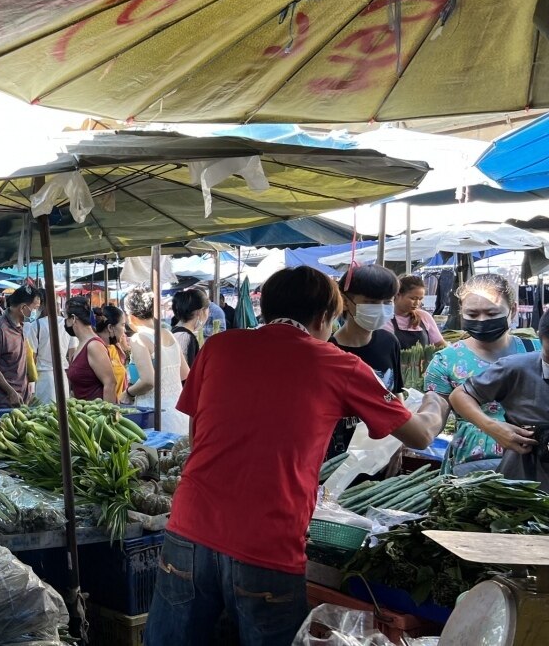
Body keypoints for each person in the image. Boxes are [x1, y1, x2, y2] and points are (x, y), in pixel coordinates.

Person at [145, 267, 447, 646]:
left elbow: (197, 436)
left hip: (189, 528)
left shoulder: (220, 347)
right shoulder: (341, 365)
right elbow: (420, 435)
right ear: (323, 317)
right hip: (267, 540)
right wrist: (438, 400)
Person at [426, 274, 538, 475]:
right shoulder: (446, 360)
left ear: (512, 310)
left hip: (534, 462)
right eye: (473, 314)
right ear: (461, 312)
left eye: (491, 313)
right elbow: (435, 414)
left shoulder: (537, 351)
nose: (482, 320)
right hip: (470, 467)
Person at [449, 313, 549, 490]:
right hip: (525, 480)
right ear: (541, 337)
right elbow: (460, 395)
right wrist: (492, 427)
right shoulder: (516, 368)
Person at [329, 265, 404, 458]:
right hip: (338, 456)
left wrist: (396, 444)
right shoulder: (329, 351)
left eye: (387, 302)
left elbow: (396, 395)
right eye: (370, 302)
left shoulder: (390, 342)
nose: (380, 309)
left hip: (380, 452)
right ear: (345, 302)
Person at [122, 285, 189, 429]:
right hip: (179, 412)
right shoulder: (168, 334)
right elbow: (185, 374)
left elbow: (148, 381)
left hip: (155, 415)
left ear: (130, 316)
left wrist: (128, 393)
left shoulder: (138, 338)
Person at [0, 285, 36, 408]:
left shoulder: (21, 326)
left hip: (21, 399)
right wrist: (11, 392)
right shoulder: (0, 329)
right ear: (23, 308)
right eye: (35, 308)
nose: (36, 312)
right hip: (3, 402)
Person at [64, 296, 118, 402]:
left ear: (73, 318)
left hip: (96, 415)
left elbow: (110, 384)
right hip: (84, 414)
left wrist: (107, 415)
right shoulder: (81, 345)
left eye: (66, 318)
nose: (65, 322)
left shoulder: (93, 345)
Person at [26, 290, 71, 406]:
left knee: (44, 417)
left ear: (42, 304)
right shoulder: (67, 324)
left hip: (43, 379)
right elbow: (72, 355)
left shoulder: (36, 325)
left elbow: (32, 358)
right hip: (63, 377)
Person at [386, 274, 446, 350]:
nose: (417, 303)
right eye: (413, 298)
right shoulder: (385, 319)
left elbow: (441, 345)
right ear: (398, 295)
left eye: (420, 299)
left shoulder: (424, 317)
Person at [96, 305, 129, 395]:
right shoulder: (95, 351)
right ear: (110, 327)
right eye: (123, 325)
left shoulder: (113, 348)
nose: (125, 330)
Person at [171, 288, 208, 367]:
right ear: (201, 311)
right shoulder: (185, 336)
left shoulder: (177, 331)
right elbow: (187, 376)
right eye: (208, 309)